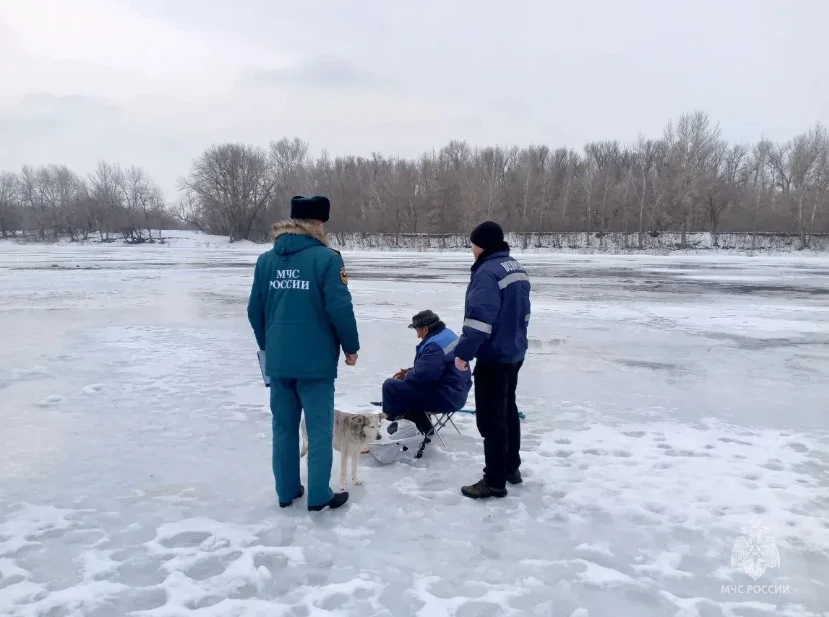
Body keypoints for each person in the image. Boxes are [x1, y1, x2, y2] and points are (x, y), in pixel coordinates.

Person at [247, 195, 359, 512]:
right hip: (316, 364)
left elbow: (254, 310)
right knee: (320, 430)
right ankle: (319, 495)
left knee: (283, 428)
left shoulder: (266, 261)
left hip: (279, 362)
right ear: (319, 224)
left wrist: (269, 345)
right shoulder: (327, 259)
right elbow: (340, 309)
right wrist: (350, 347)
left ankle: (286, 491)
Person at [454, 221, 530, 499]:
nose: (471, 249)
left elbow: (479, 321)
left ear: (481, 244)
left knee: (492, 418)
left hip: (494, 355)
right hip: (514, 352)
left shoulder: (487, 272)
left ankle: (494, 480)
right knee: (508, 409)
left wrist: (463, 353)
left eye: (472, 243)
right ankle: (511, 468)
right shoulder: (515, 267)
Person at [381, 310, 472, 438]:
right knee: (409, 389)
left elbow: (422, 377)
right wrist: (410, 371)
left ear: (425, 329)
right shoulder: (448, 335)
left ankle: (389, 430)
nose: (418, 336)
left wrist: (408, 375)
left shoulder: (435, 346)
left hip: (445, 398)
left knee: (390, 386)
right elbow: (436, 368)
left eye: (417, 331)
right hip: (458, 393)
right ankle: (422, 425)